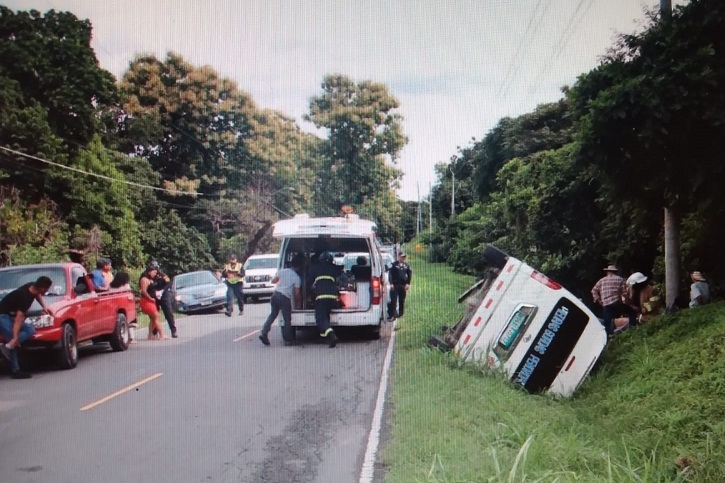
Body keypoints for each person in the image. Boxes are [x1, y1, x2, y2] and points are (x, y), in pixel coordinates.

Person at [0, 276, 54, 379]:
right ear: (42, 288)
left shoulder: (32, 286)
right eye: (47, 289)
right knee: (13, 340)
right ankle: (16, 370)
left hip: (9, 314)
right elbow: (18, 320)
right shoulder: (25, 298)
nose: (47, 292)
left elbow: (37, 294)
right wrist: (15, 338)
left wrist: (44, 307)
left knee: (30, 329)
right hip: (2, 316)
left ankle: (8, 345)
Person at [259, 254, 304, 346]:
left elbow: (273, 281)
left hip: (275, 295)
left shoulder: (282, 271)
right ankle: (288, 340)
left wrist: (282, 281)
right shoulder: (296, 277)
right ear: (299, 266)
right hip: (284, 298)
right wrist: (299, 304)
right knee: (287, 319)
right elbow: (296, 293)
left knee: (273, 315)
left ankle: (264, 332)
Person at [591, 264, 637, 336]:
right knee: (632, 312)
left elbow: (593, 291)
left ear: (608, 272)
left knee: (607, 325)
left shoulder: (601, 281)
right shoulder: (620, 279)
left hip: (606, 306)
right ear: (615, 272)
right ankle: (632, 329)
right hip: (617, 303)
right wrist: (628, 302)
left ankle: (608, 338)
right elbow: (624, 293)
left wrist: (599, 300)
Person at [309, 251, 341, 348]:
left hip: (321, 297)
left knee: (320, 318)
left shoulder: (315, 268)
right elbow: (340, 279)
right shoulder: (334, 268)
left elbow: (309, 282)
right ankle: (326, 337)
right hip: (333, 297)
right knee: (326, 317)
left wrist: (309, 295)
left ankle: (331, 334)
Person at [149, 261, 178, 338]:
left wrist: (162, 291)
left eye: (155, 268)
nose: (154, 270)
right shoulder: (148, 276)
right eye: (152, 268)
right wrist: (154, 292)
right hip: (154, 295)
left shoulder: (162, 275)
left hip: (164, 294)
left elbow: (169, 283)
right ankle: (155, 331)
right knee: (154, 313)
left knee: (168, 312)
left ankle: (173, 330)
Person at [139, 264, 166, 340]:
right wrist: (150, 298)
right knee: (157, 316)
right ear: (149, 272)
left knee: (153, 319)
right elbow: (143, 291)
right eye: (154, 272)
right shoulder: (144, 279)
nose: (155, 274)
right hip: (147, 301)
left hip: (151, 301)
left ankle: (150, 335)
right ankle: (162, 335)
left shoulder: (150, 279)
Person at [387, 252, 412, 321]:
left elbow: (409, 274)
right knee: (393, 300)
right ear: (398, 257)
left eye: (404, 257)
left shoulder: (406, 265)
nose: (403, 258)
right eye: (402, 257)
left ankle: (401, 314)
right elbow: (390, 274)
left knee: (402, 300)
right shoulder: (394, 265)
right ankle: (393, 315)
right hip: (395, 285)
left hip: (403, 285)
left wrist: (408, 283)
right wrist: (391, 283)